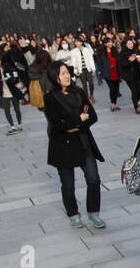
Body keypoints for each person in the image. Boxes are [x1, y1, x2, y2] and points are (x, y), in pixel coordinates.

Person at [43, 61, 104, 230]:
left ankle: (94, 214)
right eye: (62, 74)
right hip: (63, 146)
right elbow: (56, 125)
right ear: (55, 77)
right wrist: (78, 120)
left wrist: (74, 125)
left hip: (83, 141)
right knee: (68, 184)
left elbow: (92, 116)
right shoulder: (50, 98)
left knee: (93, 179)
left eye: (67, 72)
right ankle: (73, 215)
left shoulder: (79, 92)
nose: (66, 76)